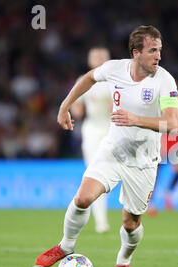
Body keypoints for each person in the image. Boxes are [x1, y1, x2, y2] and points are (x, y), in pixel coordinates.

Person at [35, 25, 178, 267]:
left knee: (130, 223)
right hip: (113, 149)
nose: (158, 56)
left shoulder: (165, 80)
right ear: (136, 53)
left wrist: (135, 119)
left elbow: (172, 123)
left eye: (160, 50)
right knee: (82, 198)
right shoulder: (115, 69)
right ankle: (67, 245)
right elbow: (90, 77)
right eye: (152, 50)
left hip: (144, 159)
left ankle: (124, 260)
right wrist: (65, 105)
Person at [71, 47, 112, 234]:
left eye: (103, 57)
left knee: (114, 174)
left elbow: (115, 110)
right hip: (92, 131)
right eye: (96, 57)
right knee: (93, 173)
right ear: (89, 61)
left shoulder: (113, 81)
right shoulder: (83, 81)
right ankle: (101, 222)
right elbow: (78, 110)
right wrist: (73, 104)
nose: (100, 60)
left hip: (112, 130)